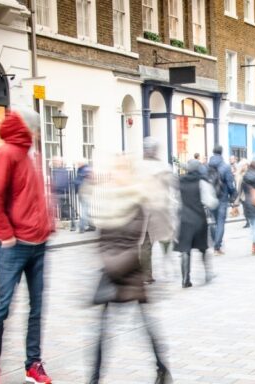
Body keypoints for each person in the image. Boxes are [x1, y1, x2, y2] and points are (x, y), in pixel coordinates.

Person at [0, 108, 54, 384]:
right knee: (4, 306)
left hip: (38, 242)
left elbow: (35, 196)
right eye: (36, 130)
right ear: (29, 129)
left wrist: (48, 224)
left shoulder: (32, 155)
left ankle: (33, 363)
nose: (38, 135)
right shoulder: (7, 153)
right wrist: (5, 233)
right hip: (14, 245)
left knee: (37, 307)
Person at [86, 154, 173, 384]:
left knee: (145, 326)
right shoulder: (106, 201)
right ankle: (94, 377)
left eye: (121, 169)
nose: (116, 174)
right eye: (115, 169)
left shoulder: (136, 200)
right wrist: (107, 262)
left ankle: (162, 369)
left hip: (128, 270)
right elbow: (103, 238)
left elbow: (133, 239)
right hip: (112, 269)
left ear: (130, 173)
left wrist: (111, 266)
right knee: (103, 331)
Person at [139, 138, 177, 284]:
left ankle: (146, 275)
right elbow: (173, 185)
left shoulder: (138, 167)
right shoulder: (163, 167)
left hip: (144, 208)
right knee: (166, 237)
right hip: (161, 209)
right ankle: (168, 264)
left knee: (145, 243)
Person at [176, 159, 218, 288]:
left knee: (185, 250)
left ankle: (185, 279)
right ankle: (208, 274)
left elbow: (175, 201)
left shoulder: (180, 182)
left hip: (184, 219)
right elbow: (210, 201)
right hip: (199, 219)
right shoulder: (202, 182)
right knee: (203, 247)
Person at [207, 145, 236, 255]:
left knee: (213, 221)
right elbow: (230, 184)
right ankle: (217, 247)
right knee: (220, 222)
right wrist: (233, 194)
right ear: (222, 152)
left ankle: (216, 242)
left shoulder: (207, 166)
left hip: (210, 196)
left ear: (213, 151)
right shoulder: (225, 166)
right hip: (222, 197)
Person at [50, 157, 73, 230]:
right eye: (55, 161)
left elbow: (63, 182)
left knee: (64, 209)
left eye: (57, 161)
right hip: (58, 192)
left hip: (62, 192)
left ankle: (71, 224)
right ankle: (61, 224)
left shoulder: (61, 170)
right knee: (58, 209)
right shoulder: (54, 170)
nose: (56, 162)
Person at [74, 160, 95, 233]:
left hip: (85, 193)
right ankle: (92, 226)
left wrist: (75, 181)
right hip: (84, 193)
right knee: (86, 210)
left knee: (84, 211)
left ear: (82, 163)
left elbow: (79, 181)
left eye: (78, 162)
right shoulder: (82, 169)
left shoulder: (85, 170)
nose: (77, 164)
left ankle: (81, 227)